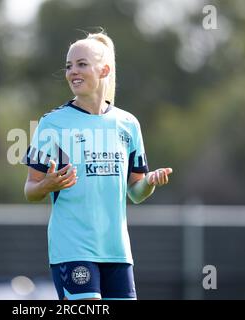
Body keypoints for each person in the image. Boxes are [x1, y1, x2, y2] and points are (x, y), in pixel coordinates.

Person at [23, 31, 173, 300]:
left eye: (81, 64)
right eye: (69, 66)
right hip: (72, 249)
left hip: (117, 252)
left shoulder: (128, 124)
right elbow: (30, 189)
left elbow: (135, 193)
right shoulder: (52, 124)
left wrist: (149, 182)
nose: (72, 72)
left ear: (104, 69)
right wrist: (49, 184)